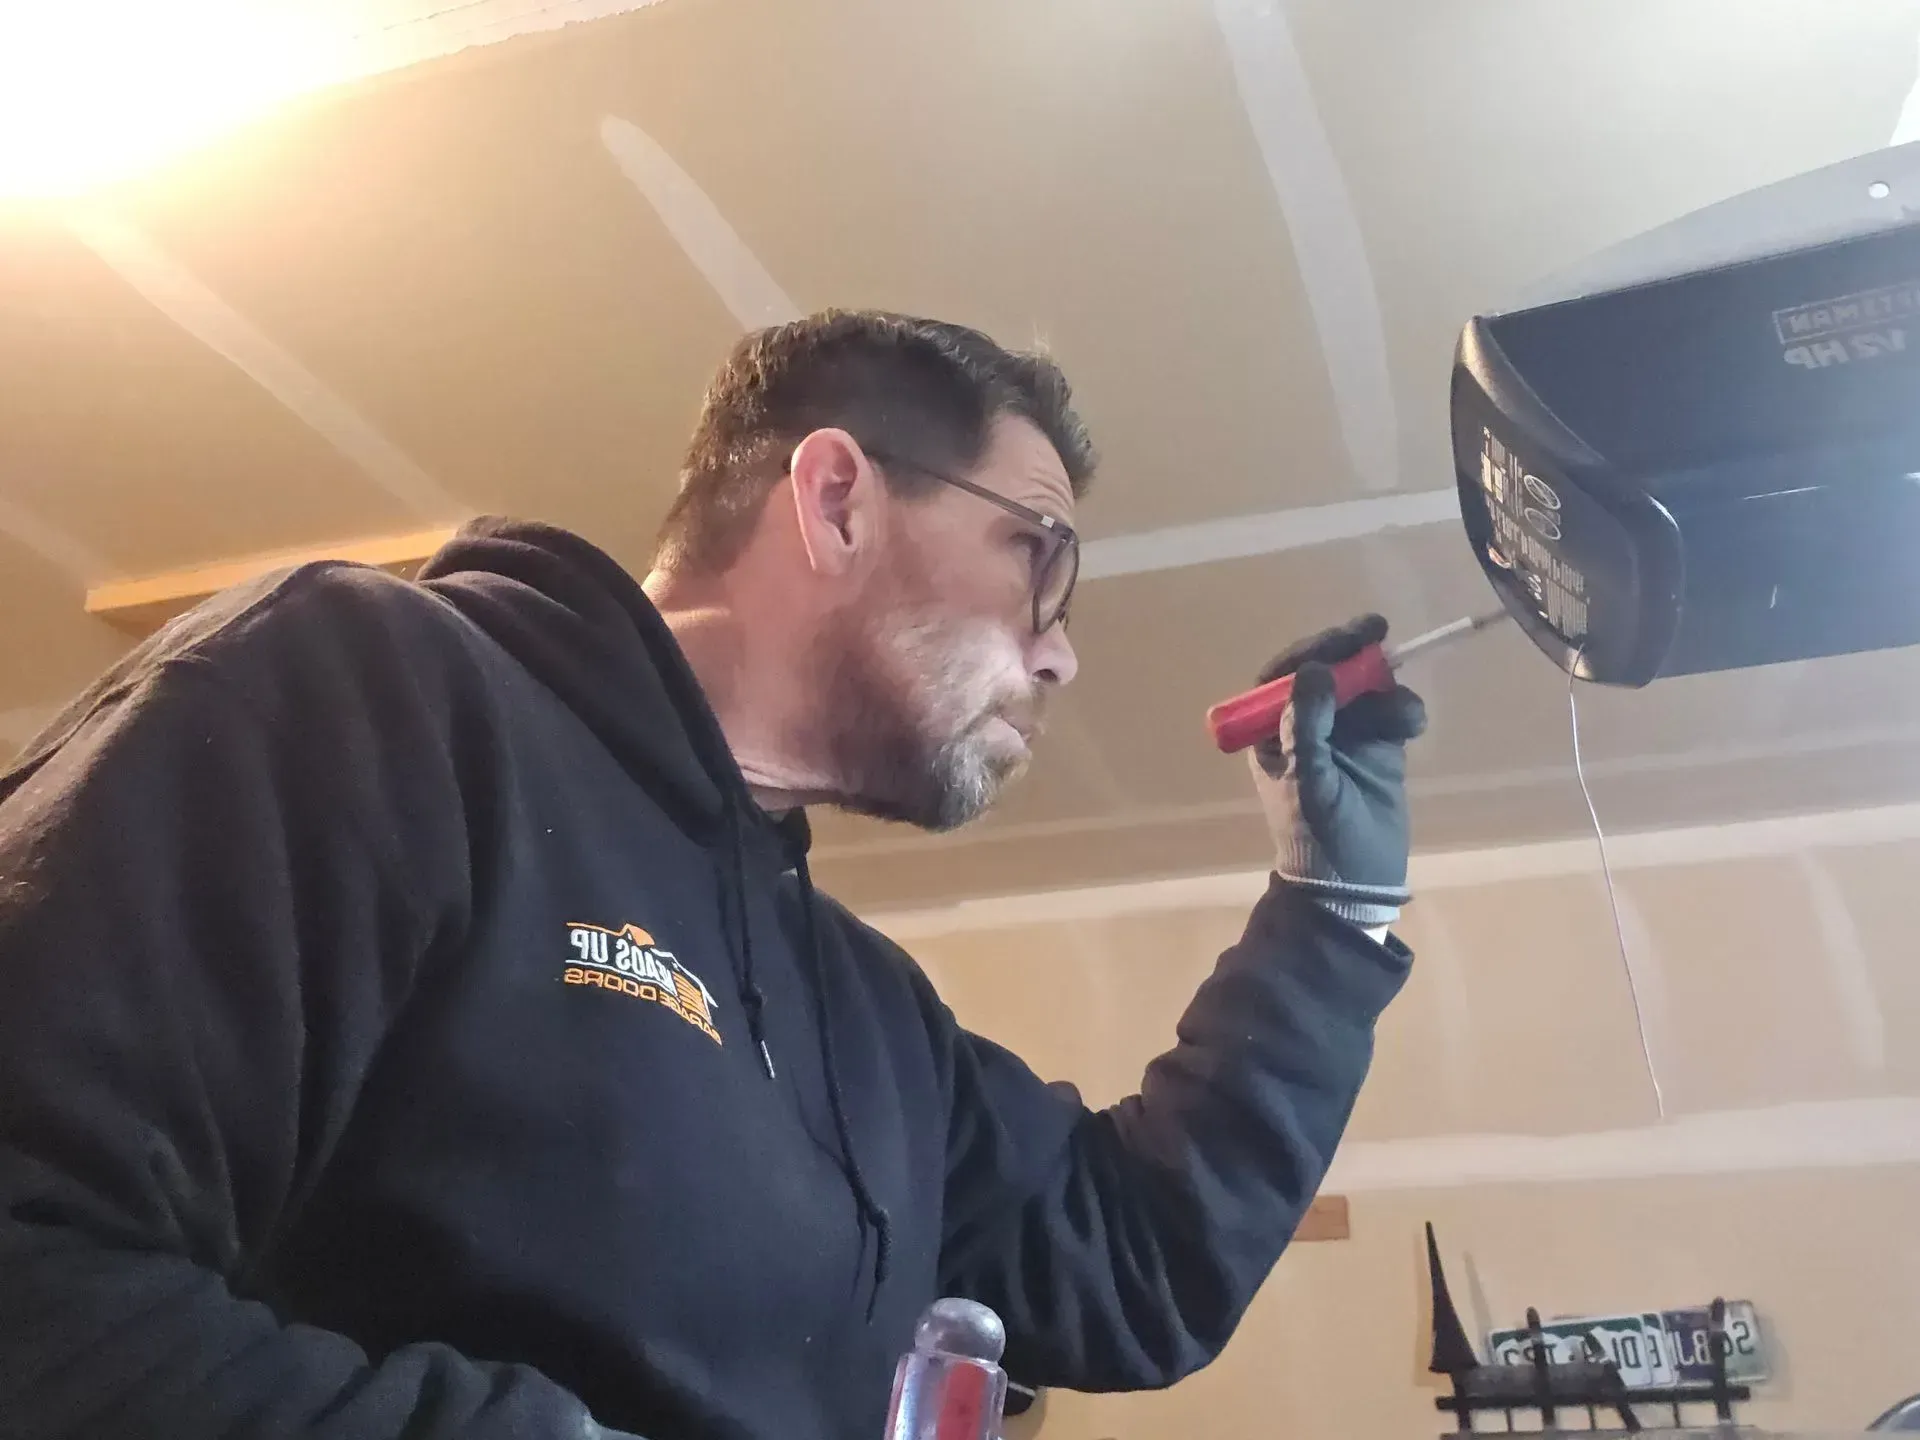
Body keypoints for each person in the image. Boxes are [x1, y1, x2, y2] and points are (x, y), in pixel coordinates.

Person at [0, 310, 1426, 1440]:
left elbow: (1139, 1263)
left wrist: (1331, 913)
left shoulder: (867, 1018)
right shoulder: (375, 696)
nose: (1060, 653)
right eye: (1036, 555)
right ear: (837, 499)